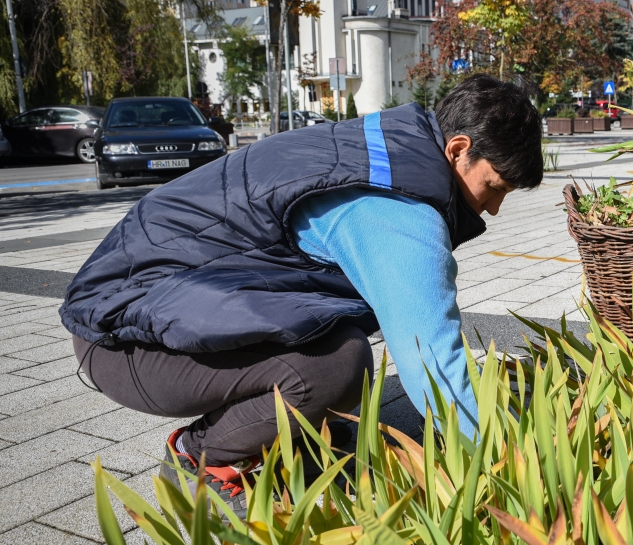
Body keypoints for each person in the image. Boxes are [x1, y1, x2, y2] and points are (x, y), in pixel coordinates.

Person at [61, 75, 543, 516]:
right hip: (123, 342)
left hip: (146, 310)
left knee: (333, 335)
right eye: (493, 187)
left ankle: (303, 442)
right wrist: (513, 469)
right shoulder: (394, 210)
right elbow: (430, 359)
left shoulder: (386, 149)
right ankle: (201, 460)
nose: (495, 209)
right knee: (333, 364)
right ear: (458, 148)